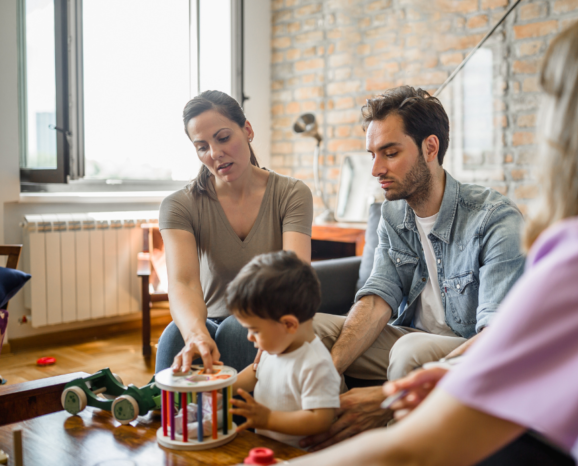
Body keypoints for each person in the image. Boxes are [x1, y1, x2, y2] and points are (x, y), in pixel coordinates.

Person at [289, 0, 578, 464]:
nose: (377, 169)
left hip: (452, 349)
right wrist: (466, 379)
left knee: (413, 353)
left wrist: (412, 393)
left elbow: (413, 450)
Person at [302, 86, 526, 450]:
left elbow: (497, 335)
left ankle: (395, 454)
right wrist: (331, 367)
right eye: (373, 154)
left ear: (430, 148)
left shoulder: (495, 220)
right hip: (407, 336)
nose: (376, 169)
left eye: (390, 153)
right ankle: (324, 446)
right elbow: (378, 298)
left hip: (463, 349)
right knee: (309, 330)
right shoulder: (394, 214)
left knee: (410, 350)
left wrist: (388, 395)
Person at [156, 90, 313, 375]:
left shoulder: (292, 193)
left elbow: (295, 275)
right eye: (201, 146)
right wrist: (196, 334)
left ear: (247, 130)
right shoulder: (179, 205)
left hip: (269, 317)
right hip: (208, 318)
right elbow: (184, 283)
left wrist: (271, 326)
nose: (215, 153)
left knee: (236, 330)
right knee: (175, 337)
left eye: (223, 137)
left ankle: (237, 418)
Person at [226, 251, 341, 449]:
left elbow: (320, 419)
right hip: (268, 448)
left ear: (289, 324)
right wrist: (221, 388)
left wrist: (269, 419)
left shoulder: (316, 363)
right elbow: (254, 375)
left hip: (299, 455)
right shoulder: (274, 349)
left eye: (254, 330)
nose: (249, 337)